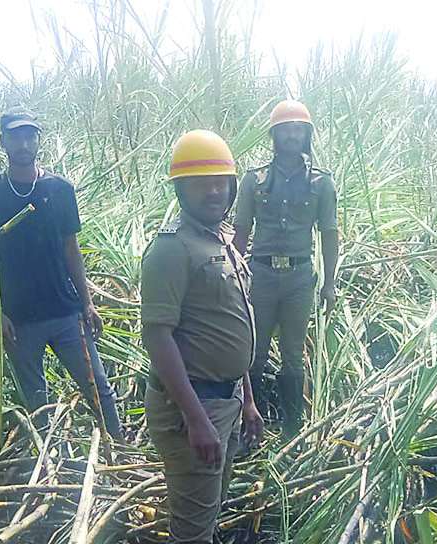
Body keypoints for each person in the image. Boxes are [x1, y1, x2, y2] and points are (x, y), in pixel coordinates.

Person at [0, 106, 121, 438]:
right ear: (2, 141)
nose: (23, 143)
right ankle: (50, 470)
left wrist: (88, 303)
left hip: (65, 312)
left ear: (38, 140)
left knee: (100, 390)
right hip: (19, 322)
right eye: (15, 136)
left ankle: (121, 453)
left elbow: (71, 248)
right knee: (37, 404)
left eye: (29, 136)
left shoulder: (59, 190)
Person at [141, 130, 265, 543]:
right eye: (201, 183)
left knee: (209, 511)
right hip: (194, 407)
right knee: (192, 530)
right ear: (180, 189)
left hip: (225, 400)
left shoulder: (223, 240)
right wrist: (195, 419)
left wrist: (246, 399)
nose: (214, 191)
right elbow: (158, 339)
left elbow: (232, 320)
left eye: (221, 181)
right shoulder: (171, 250)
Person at [232, 99, 339, 438]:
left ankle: (293, 429)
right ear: (274, 136)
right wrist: (233, 274)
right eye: (285, 130)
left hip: (298, 277)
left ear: (306, 136)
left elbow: (329, 233)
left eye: (298, 130)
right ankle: (254, 423)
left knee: (293, 355)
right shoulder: (254, 180)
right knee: (255, 351)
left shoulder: (322, 183)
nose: (292, 136)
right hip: (261, 274)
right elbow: (241, 231)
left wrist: (329, 283)